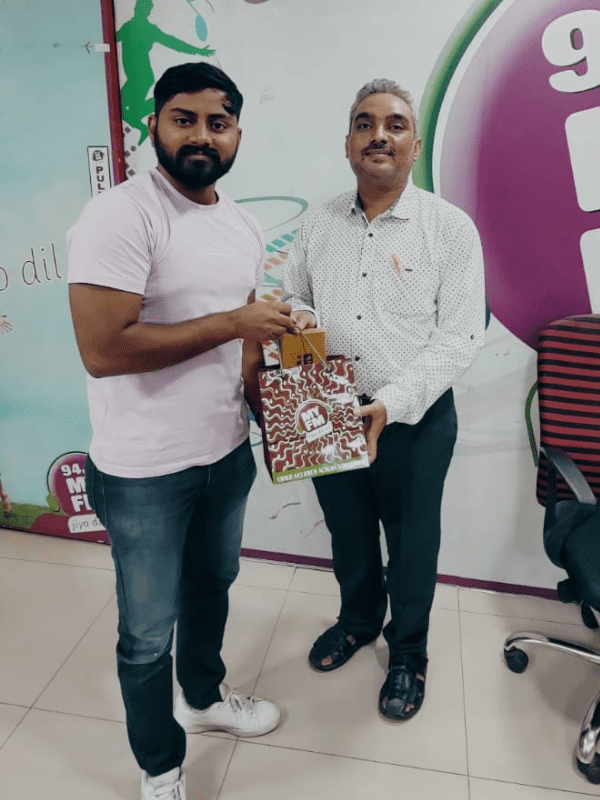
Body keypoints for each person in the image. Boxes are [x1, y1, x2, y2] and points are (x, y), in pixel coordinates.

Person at [68, 62, 297, 800]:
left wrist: (278, 419)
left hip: (225, 454)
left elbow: (249, 343)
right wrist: (235, 322)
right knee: (146, 631)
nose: (202, 135)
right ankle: (160, 767)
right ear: (154, 126)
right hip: (143, 471)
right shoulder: (121, 216)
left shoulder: (243, 225)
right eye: (184, 118)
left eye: (217, 122)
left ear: (236, 134)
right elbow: (104, 349)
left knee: (213, 587)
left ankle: (202, 698)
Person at [282, 79, 485, 722]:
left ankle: (408, 652)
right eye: (364, 123)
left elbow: (461, 337)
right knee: (347, 533)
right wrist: (296, 317)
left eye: (395, 124)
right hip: (327, 407)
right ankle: (358, 620)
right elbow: (295, 298)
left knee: (412, 543)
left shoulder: (450, 229)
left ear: (415, 145)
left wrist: (391, 404)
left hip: (414, 418)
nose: (379, 135)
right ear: (347, 143)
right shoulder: (317, 223)